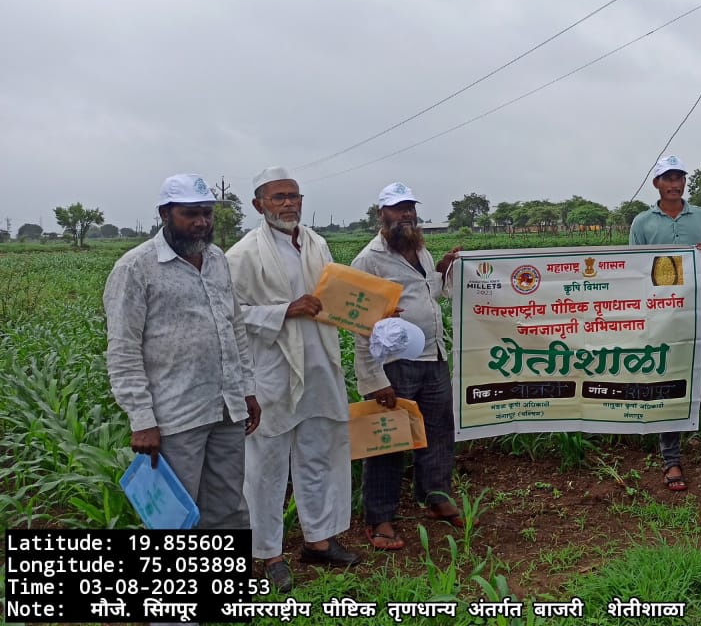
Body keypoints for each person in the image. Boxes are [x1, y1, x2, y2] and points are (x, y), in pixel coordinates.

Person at [226, 167, 358, 592]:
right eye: (278, 196)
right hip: (271, 374)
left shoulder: (317, 242)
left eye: (293, 196)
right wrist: (284, 310)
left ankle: (319, 542)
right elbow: (230, 316)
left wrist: (373, 312)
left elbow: (336, 298)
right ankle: (267, 554)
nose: (288, 203)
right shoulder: (242, 255)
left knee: (319, 454)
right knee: (264, 467)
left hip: (321, 366)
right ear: (258, 204)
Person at [104, 173, 260, 532]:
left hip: (226, 406)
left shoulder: (217, 258)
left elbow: (234, 326)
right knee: (174, 516)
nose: (201, 222)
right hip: (175, 413)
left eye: (206, 213)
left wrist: (246, 388)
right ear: (165, 214)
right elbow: (123, 349)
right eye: (190, 214)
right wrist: (142, 420)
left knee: (228, 504)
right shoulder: (135, 267)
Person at [351, 182, 462, 550]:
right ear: (381, 214)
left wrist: (443, 269)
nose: (406, 214)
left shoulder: (420, 250)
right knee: (388, 440)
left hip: (433, 356)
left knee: (438, 430)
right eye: (398, 209)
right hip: (395, 365)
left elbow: (427, 293)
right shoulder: (369, 260)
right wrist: (373, 379)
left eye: (410, 207)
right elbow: (359, 325)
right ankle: (380, 518)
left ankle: (435, 495)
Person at [629, 155, 701, 492]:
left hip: (700, 320)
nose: (675, 184)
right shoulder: (643, 223)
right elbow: (635, 270)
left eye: (679, 178)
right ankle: (672, 460)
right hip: (662, 322)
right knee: (668, 390)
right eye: (668, 178)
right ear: (657, 184)